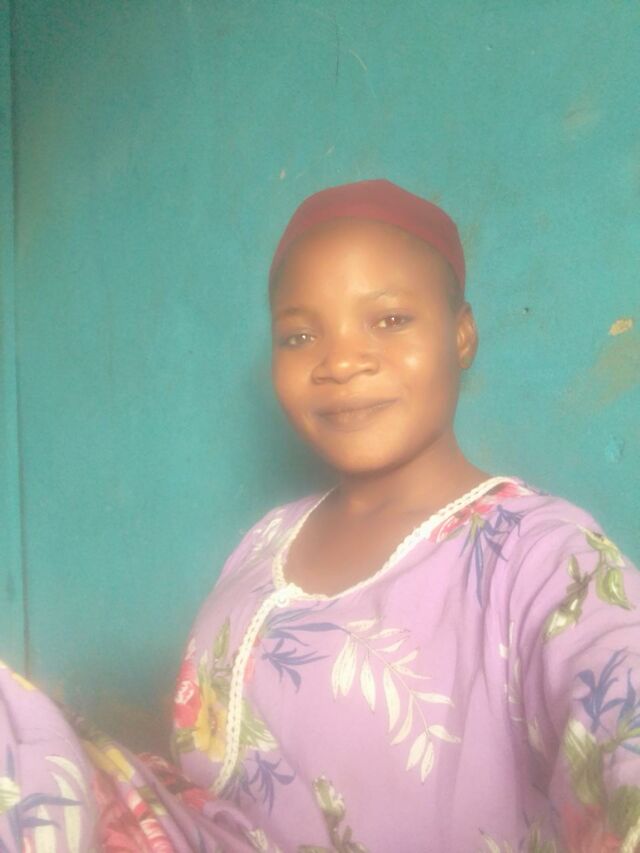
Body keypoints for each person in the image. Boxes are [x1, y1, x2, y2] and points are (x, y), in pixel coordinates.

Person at [1, 180, 639, 852]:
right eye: (300, 334)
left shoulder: (540, 553)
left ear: (461, 334)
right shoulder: (265, 543)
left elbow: (619, 693)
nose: (340, 361)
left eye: (389, 320)